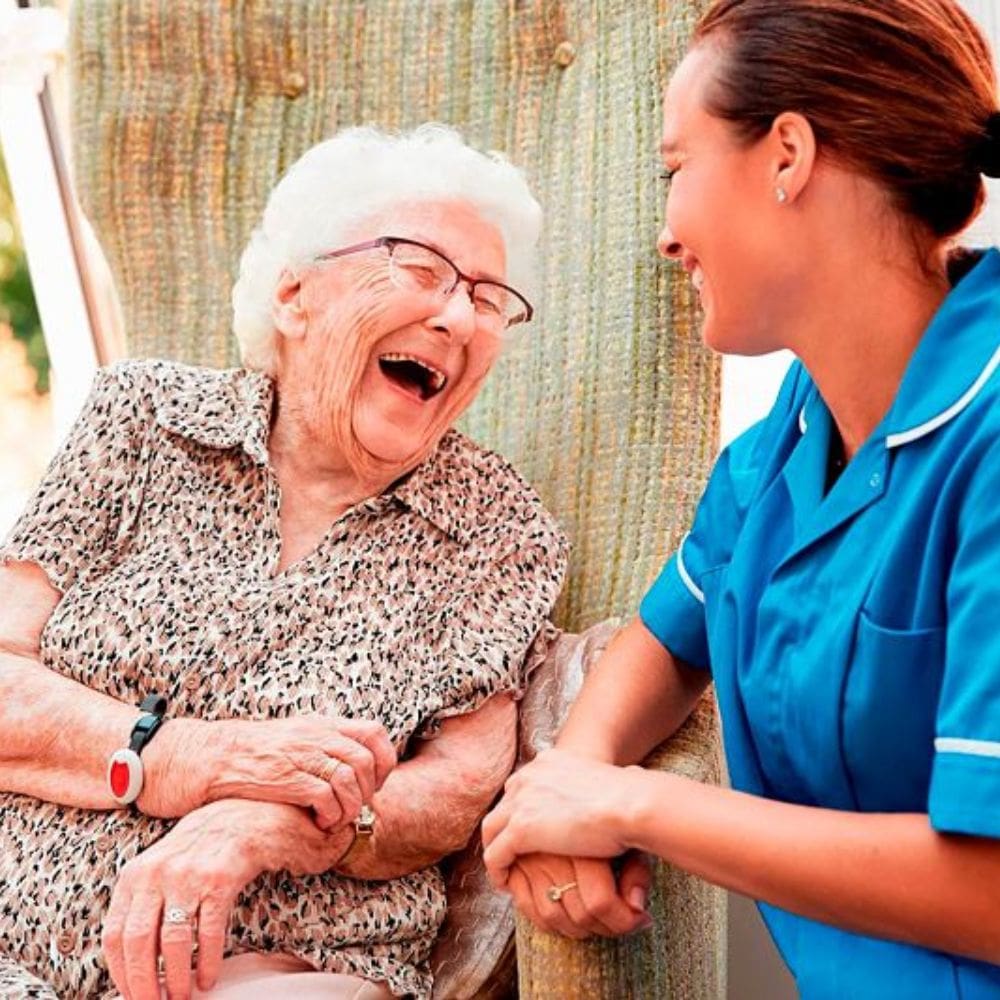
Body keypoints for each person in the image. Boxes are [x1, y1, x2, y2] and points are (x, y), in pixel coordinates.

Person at [481, 2, 1000, 996]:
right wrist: (569, 776)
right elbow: (671, 633)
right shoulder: (792, 436)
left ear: (786, 155)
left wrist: (632, 807)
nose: (667, 235)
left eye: (676, 169)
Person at [0, 124, 567, 1000]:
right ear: (295, 296)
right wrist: (194, 760)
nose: (457, 315)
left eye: (489, 299)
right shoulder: (142, 419)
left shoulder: (498, 526)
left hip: (278, 962)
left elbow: (456, 790)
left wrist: (253, 826)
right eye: (419, 269)